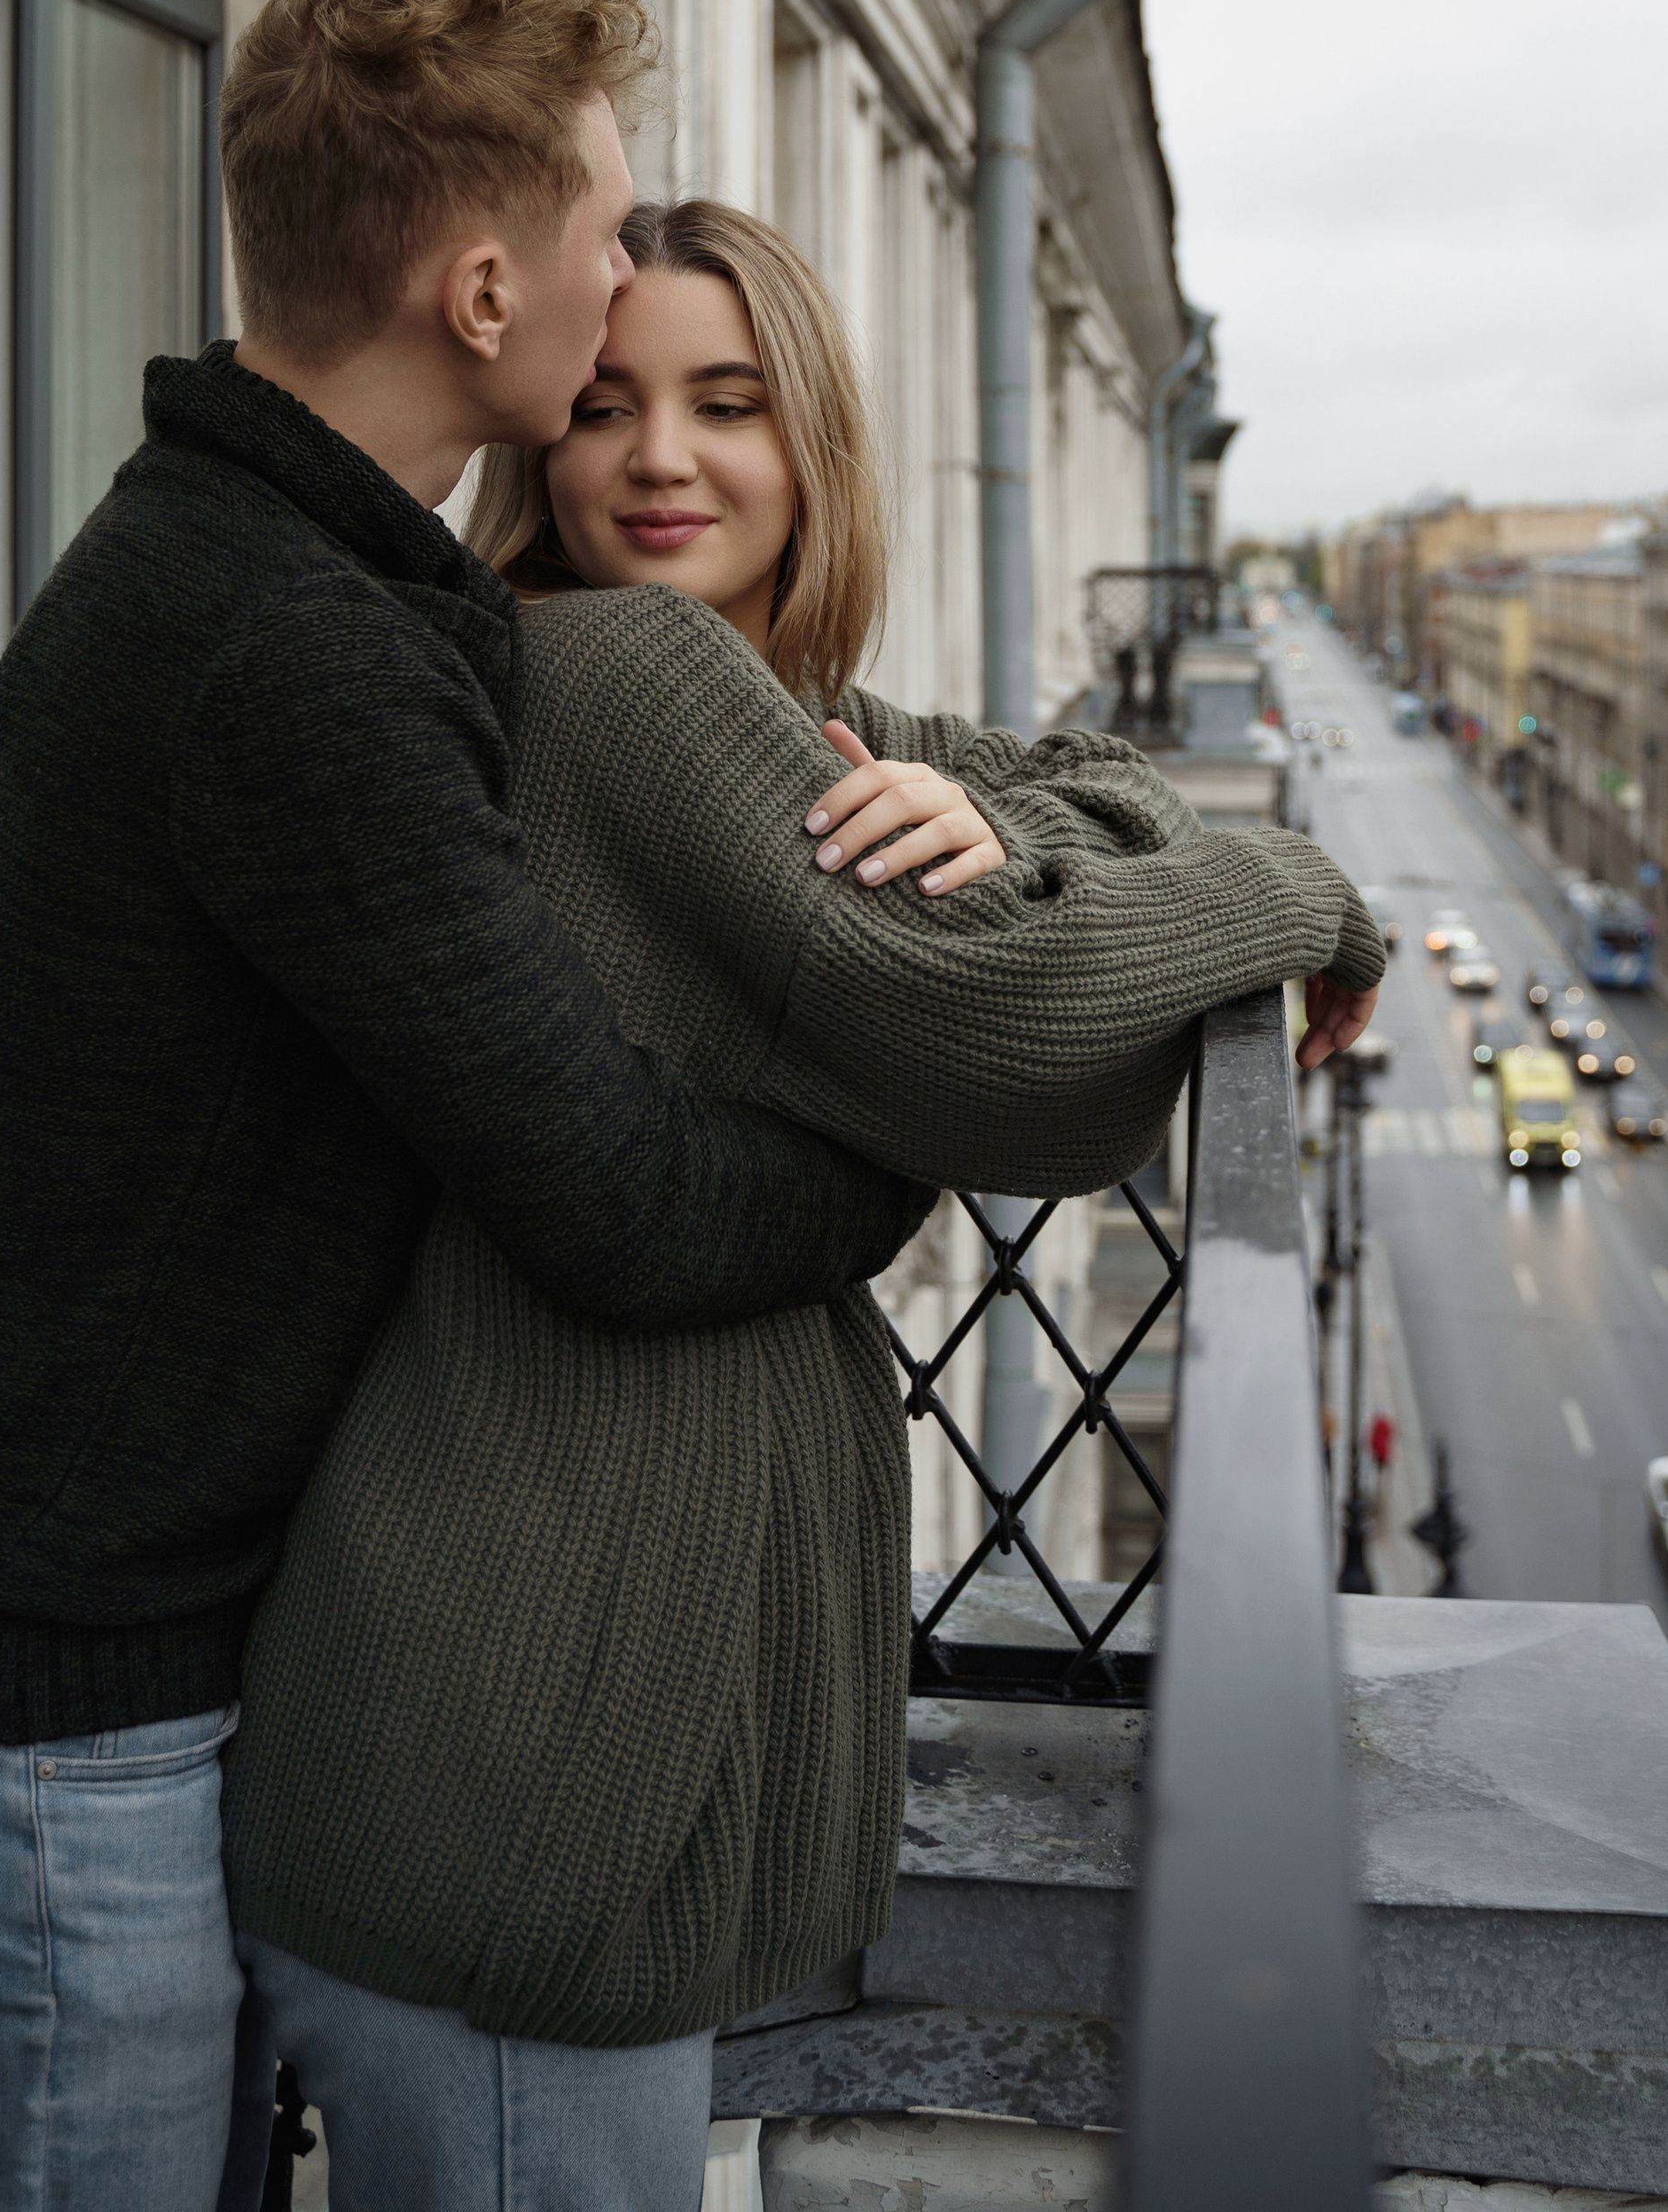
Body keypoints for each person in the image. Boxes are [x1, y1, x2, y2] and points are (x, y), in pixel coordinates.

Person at [0, 0, 936, 2212]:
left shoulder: (299, 578)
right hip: (28, 1725)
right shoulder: (282, 648)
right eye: (607, 244)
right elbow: (611, 1200)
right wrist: (922, 1122)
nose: (625, 291)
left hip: (117, 1687)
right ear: (484, 289)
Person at [220, 198, 1384, 2205]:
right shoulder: (617, 677)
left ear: (814, 440)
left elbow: (1077, 766)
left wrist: (1002, 818)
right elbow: (1032, 1056)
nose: (657, 456)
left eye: (725, 402)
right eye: (600, 406)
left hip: (508, 1746)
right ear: (531, 439)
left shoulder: (772, 708)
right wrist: (1293, 892)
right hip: (503, 1785)